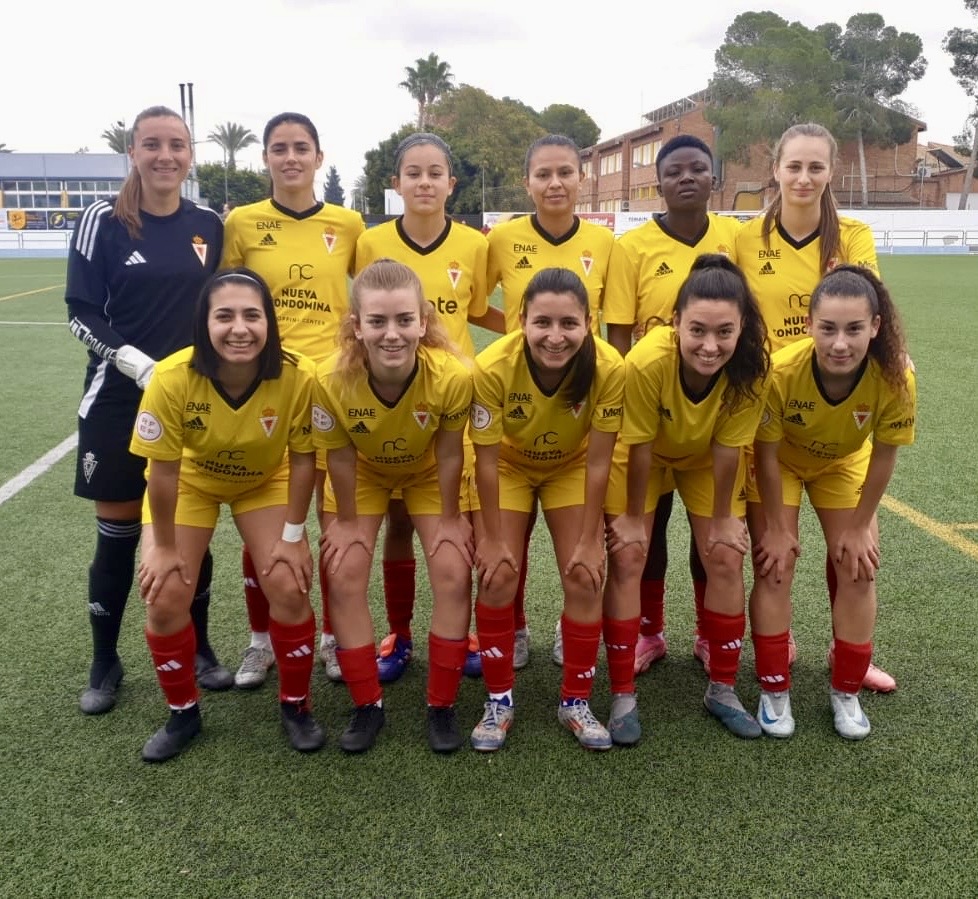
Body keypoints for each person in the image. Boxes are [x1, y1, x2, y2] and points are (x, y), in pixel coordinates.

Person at [66, 105, 228, 716]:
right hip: (118, 397)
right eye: (152, 144)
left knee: (189, 527)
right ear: (133, 152)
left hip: (191, 399)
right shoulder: (102, 221)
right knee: (119, 531)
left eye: (177, 145)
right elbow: (80, 311)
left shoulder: (209, 223)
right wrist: (134, 361)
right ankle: (105, 658)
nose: (166, 156)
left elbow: (222, 302)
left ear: (191, 155)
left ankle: (201, 646)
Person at [130, 268, 322, 762]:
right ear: (204, 323)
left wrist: (294, 535)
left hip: (265, 480)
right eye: (225, 316)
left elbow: (304, 460)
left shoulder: (299, 375)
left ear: (269, 322)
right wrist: (166, 549)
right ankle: (182, 712)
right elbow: (164, 473)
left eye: (252, 315)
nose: (240, 328)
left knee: (287, 580)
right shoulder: (172, 378)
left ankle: (296, 706)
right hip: (192, 483)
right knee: (167, 592)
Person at [736, 121, 895, 693]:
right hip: (770, 415)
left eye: (816, 167)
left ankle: (846, 652)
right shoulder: (744, 238)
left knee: (855, 552)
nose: (804, 178)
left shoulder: (851, 234)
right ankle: (777, 648)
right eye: (794, 166)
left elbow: (866, 315)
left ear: (831, 173)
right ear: (775, 169)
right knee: (774, 554)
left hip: (836, 406)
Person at [221, 112, 365, 688]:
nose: (290, 158)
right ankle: (261, 642)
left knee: (332, 521)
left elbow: (371, 294)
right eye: (279, 148)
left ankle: (332, 638)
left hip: (330, 389)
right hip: (266, 389)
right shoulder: (243, 223)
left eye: (301, 148)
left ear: (319, 157)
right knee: (267, 518)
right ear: (265, 159)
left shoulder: (349, 223)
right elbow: (222, 300)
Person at [354, 132, 503, 684]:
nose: (424, 182)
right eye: (412, 173)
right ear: (396, 184)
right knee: (396, 522)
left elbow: (480, 309)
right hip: (388, 400)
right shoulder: (369, 244)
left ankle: (459, 632)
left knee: (453, 523)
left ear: (450, 183)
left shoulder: (474, 245)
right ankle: (400, 634)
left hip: (450, 406)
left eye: (435, 172)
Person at [606, 255, 770, 739]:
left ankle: (722, 688)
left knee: (723, 555)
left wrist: (722, 519)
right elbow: (636, 445)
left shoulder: (752, 367)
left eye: (725, 332)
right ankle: (621, 696)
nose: (710, 345)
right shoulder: (646, 361)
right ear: (675, 321)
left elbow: (727, 447)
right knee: (629, 553)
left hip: (704, 459)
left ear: (743, 327)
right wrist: (635, 518)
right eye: (697, 329)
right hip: (643, 456)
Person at [747, 267, 915, 739]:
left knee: (859, 566)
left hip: (842, 466)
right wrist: (778, 527)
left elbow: (884, 455)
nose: (840, 344)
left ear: (876, 327)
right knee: (774, 564)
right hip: (782, 466)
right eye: (828, 329)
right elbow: (766, 452)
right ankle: (774, 689)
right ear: (808, 325)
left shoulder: (893, 378)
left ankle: (846, 690)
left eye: (854, 329)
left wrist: (861, 526)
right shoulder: (780, 373)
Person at [316, 259, 474, 754]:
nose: (392, 334)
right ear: (356, 325)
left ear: (423, 322)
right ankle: (367, 705)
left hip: (428, 471)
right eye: (378, 322)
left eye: (404, 320)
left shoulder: (452, 375)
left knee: (452, 570)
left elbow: (450, 450)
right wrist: (344, 523)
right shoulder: (328, 379)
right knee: (342, 573)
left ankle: (441, 707)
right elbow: (339, 454)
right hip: (362, 473)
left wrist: (451, 519)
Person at [603, 134, 743, 676]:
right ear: (656, 185)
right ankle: (649, 631)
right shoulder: (631, 247)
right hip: (648, 412)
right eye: (674, 171)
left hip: (715, 412)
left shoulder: (736, 235)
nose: (686, 178)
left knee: (713, 535)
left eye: (698, 169)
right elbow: (618, 335)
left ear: (714, 179)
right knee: (648, 527)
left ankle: (710, 633)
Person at [468, 267, 623, 752]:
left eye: (569, 324)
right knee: (495, 576)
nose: (555, 337)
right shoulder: (492, 366)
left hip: (572, 467)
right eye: (542, 323)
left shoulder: (609, 367)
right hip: (509, 468)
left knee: (584, 574)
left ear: (589, 322)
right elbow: (487, 461)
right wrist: (491, 540)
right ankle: (498, 700)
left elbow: (600, 461)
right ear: (521, 321)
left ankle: (575, 701)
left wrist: (589, 537)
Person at [486, 134, 615, 669]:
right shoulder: (502, 238)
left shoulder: (607, 242)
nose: (555, 182)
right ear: (527, 181)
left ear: (582, 177)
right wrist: (524, 340)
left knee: (587, 566)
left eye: (566, 172)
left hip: (576, 410)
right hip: (516, 403)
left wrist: (567, 341)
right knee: (499, 564)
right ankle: (510, 630)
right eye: (543, 174)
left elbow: (614, 317)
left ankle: (574, 635)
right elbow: (475, 304)